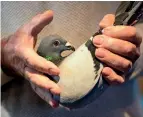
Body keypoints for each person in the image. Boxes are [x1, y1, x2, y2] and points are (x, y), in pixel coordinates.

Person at [1, 1, 143, 117]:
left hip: (120, 107)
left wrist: (130, 51)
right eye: (57, 44)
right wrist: (4, 58)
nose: (69, 45)